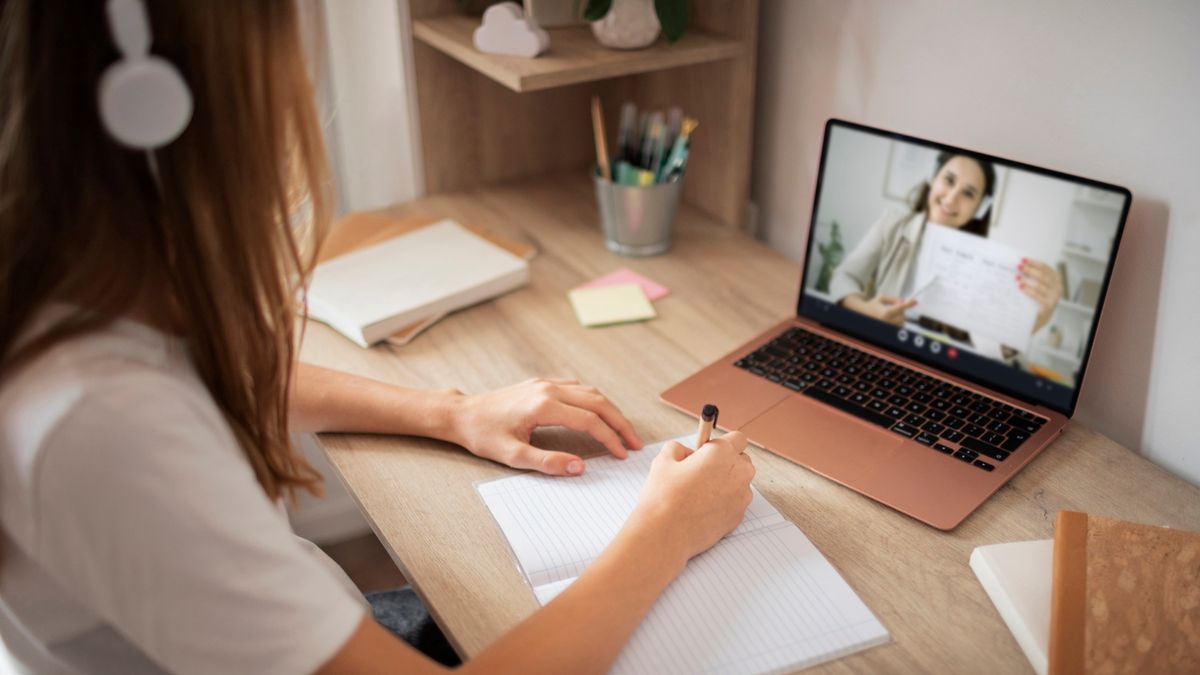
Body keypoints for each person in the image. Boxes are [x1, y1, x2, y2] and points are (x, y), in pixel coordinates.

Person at [0, 2, 755, 673]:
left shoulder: (70, 292)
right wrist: (666, 529)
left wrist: (449, 411)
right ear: (160, 106)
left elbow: (211, 376)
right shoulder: (99, 426)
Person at [830, 152, 1062, 339]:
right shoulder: (892, 224)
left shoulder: (985, 264)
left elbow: (985, 344)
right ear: (933, 177)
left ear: (980, 208)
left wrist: (1032, 322)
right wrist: (866, 310)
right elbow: (844, 276)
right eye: (949, 180)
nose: (951, 199)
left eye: (968, 194)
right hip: (878, 342)